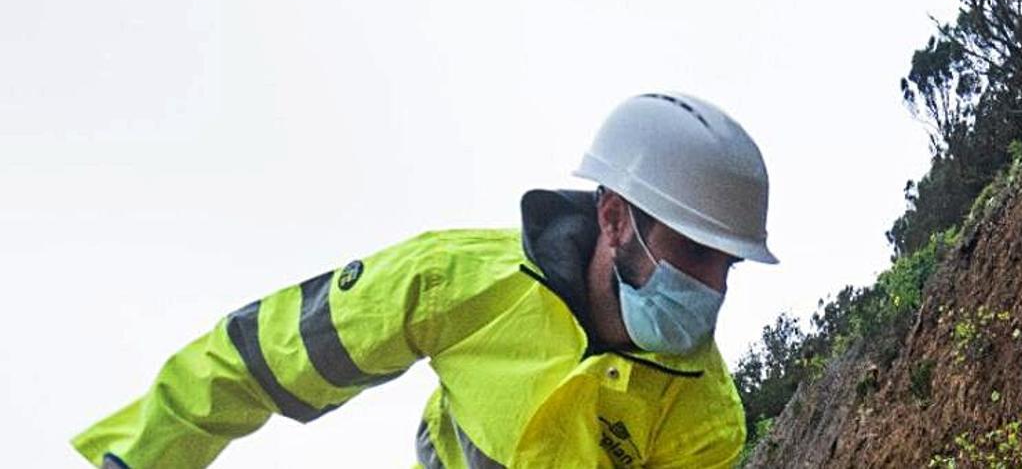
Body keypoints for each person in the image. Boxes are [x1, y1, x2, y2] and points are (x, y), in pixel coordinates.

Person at [72, 92, 778, 468]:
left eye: (727, 262)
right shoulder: (453, 283)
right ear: (617, 217)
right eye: (694, 251)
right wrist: (138, 463)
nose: (713, 286)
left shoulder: (704, 421)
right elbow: (262, 359)